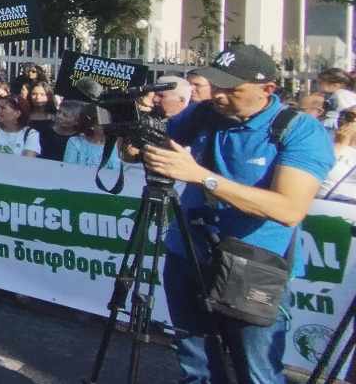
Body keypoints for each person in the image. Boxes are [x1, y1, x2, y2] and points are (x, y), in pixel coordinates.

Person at [128, 44, 332, 384]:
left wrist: (201, 176)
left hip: (254, 265)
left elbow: (289, 209)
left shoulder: (300, 131)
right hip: (189, 252)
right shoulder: (205, 113)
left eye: (230, 89)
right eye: (215, 85)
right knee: (197, 365)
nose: (218, 95)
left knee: (258, 371)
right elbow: (142, 150)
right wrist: (130, 131)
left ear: (267, 90)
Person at [58, 100, 119, 171]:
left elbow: (118, 171)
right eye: (102, 123)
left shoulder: (116, 144)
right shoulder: (75, 142)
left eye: (109, 123)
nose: (106, 126)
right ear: (92, 124)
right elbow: (67, 170)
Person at [320, 110, 356, 200]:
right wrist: (339, 145)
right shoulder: (325, 140)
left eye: (349, 116)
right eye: (341, 114)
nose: (342, 118)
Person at [26, 80, 66, 161]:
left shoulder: (56, 117)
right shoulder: (24, 115)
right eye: (34, 94)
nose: (38, 98)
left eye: (42, 94)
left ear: (49, 96)